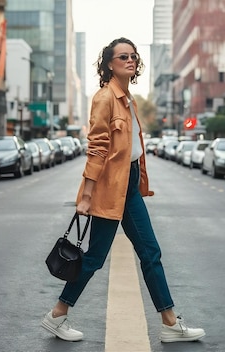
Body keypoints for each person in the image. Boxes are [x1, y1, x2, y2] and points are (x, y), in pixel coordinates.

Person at [40, 37, 205, 343]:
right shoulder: (105, 98)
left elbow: (131, 149)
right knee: (95, 258)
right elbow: (98, 148)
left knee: (148, 252)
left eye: (133, 56)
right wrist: (87, 195)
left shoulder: (128, 99)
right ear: (109, 64)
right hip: (109, 188)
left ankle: (169, 322)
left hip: (127, 186)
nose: (130, 60)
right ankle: (57, 315)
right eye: (123, 57)